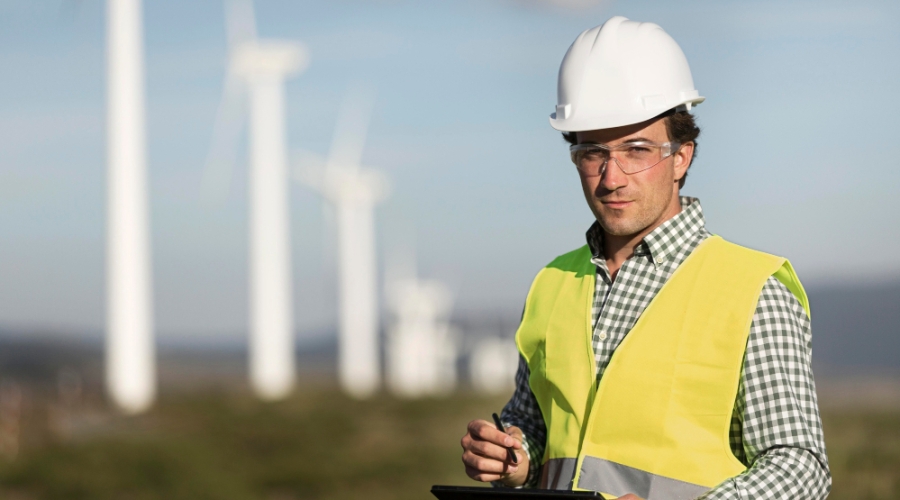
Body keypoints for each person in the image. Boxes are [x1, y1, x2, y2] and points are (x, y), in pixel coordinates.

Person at [459, 16, 831, 500]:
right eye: (592, 152)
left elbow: (799, 468)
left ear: (682, 156)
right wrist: (514, 457)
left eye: (636, 150)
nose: (611, 177)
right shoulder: (553, 282)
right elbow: (535, 427)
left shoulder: (753, 292)